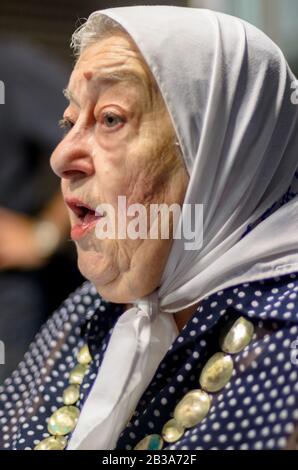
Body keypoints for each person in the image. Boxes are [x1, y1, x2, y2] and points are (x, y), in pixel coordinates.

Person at [0, 5, 297, 450]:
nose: (60, 157)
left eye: (111, 119)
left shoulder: (285, 341)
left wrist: (39, 238)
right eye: (69, 121)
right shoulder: (84, 315)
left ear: (217, 152)